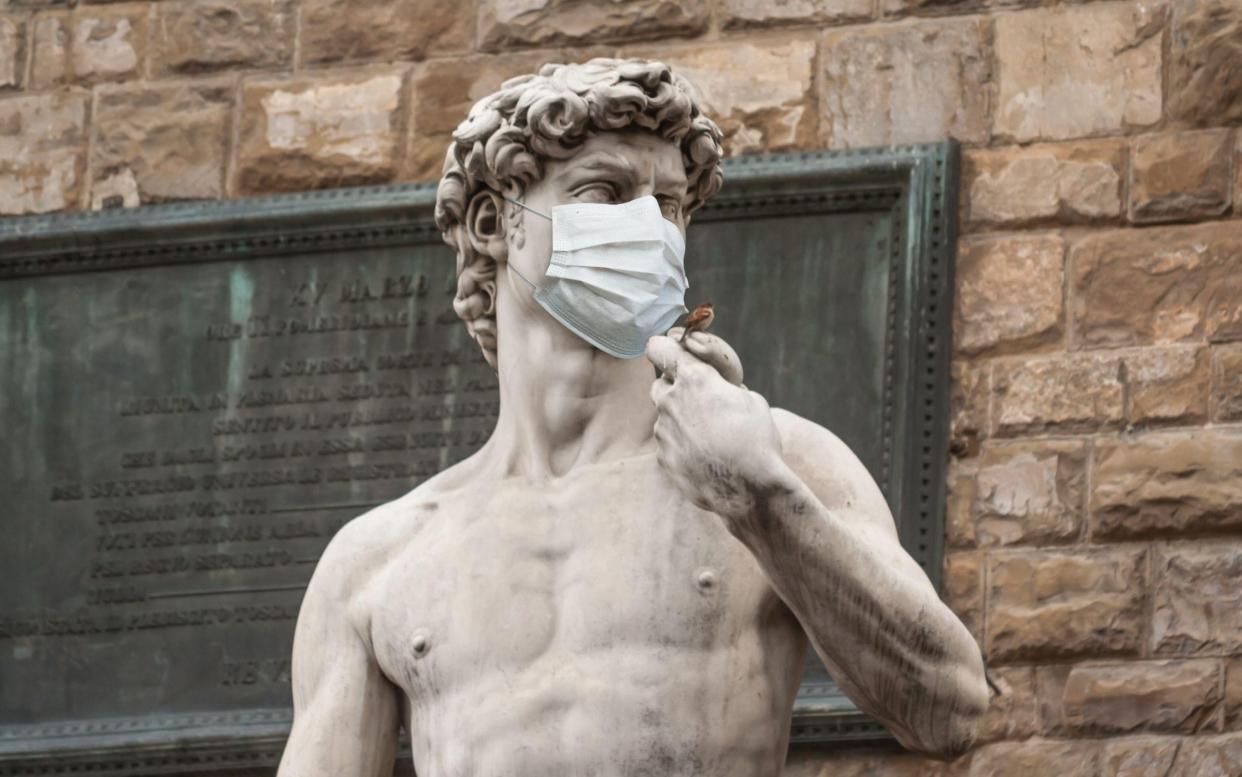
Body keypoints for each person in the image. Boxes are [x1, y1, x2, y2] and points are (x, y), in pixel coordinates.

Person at [277, 58, 988, 777]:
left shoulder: (778, 459)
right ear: (497, 222)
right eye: (606, 192)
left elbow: (950, 708)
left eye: (671, 203)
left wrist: (762, 502)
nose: (649, 225)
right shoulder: (375, 563)